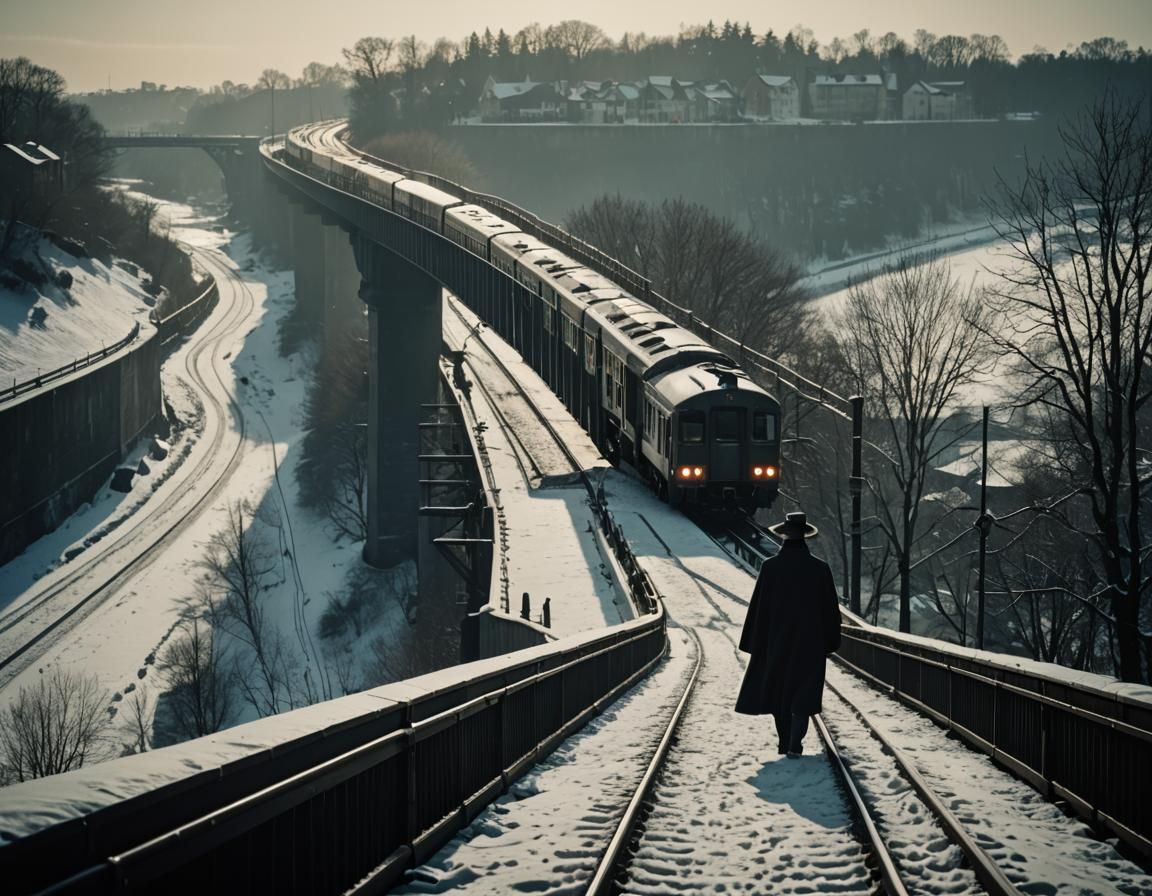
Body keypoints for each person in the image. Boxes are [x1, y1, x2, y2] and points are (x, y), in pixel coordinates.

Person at [736, 512, 842, 757]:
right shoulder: (820, 569)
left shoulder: (770, 568)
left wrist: (757, 643)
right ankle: (795, 743)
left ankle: (785, 743)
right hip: (810, 644)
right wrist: (829, 642)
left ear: (783, 535)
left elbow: (759, 610)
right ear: (806, 536)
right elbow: (830, 611)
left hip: (777, 643)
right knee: (803, 695)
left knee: (779, 695)